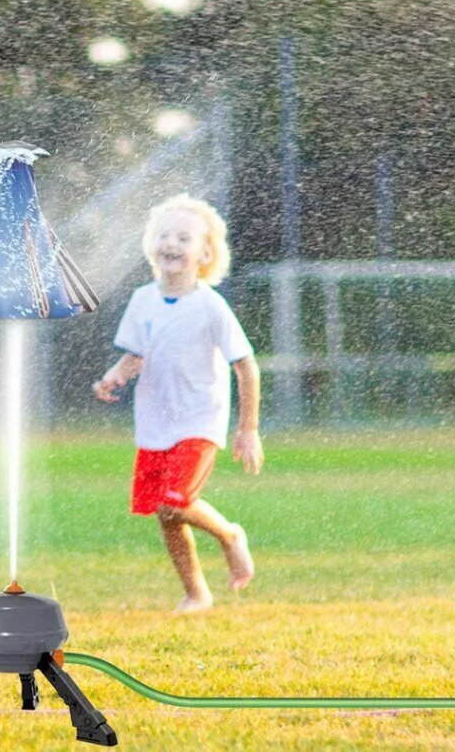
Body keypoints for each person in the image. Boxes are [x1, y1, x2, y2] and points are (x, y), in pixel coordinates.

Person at [92, 194, 263, 614]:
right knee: (166, 515)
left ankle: (229, 535)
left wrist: (248, 429)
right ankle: (196, 592)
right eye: (164, 235)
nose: (171, 243)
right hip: (155, 422)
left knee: (174, 502)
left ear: (204, 252)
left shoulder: (210, 306)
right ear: (152, 244)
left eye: (183, 237)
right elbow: (136, 354)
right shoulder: (142, 300)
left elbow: (246, 366)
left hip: (199, 420)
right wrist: (116, 375)